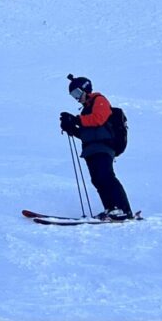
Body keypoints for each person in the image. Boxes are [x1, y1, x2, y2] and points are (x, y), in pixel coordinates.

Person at [60, 74, 133, 220]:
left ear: (85, 89)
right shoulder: (85, 110)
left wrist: (75, 120)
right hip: (90, 150)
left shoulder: (99, 100)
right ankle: (111, 208)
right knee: (98, 179)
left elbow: (98, 119)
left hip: (104, 147)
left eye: (77, 93)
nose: (76, 97)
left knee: (105, 176)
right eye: (73, 95)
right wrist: (71, 128)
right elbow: (86, 133)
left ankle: (123, 209)